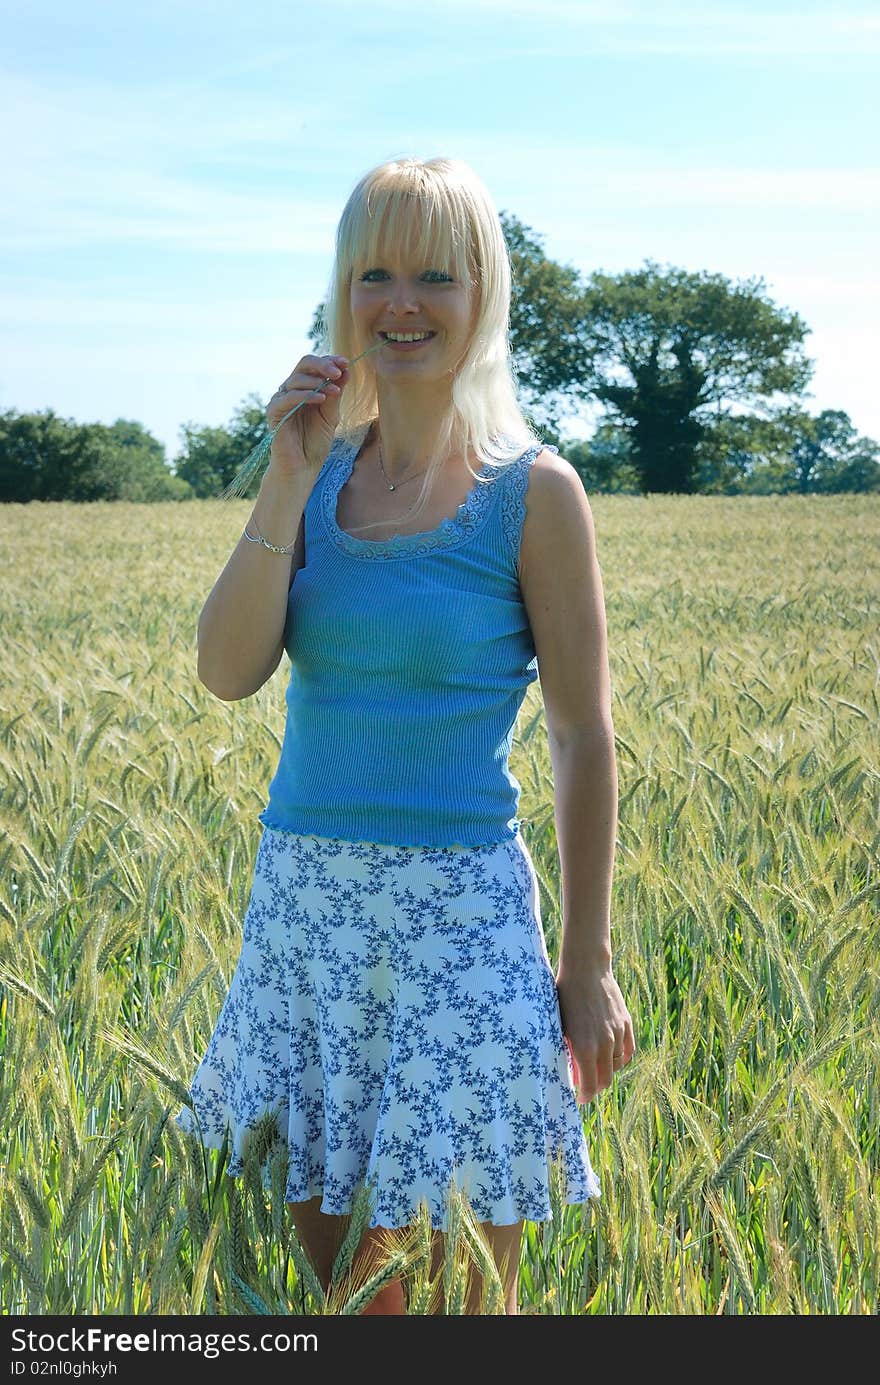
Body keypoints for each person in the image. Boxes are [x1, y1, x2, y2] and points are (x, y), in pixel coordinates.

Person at [176, 155, 635, 1316]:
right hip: (308, 916)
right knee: (349, 1302)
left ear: (484, 294)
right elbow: (227, 672)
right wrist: (282, 478)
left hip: (460, 928)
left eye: (435, 274)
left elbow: (583, 736)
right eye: (373, 272)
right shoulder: (312, 472)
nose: (401, 303)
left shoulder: (536, 492)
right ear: (342, 290)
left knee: (463, 1304)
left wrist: (584, 964)